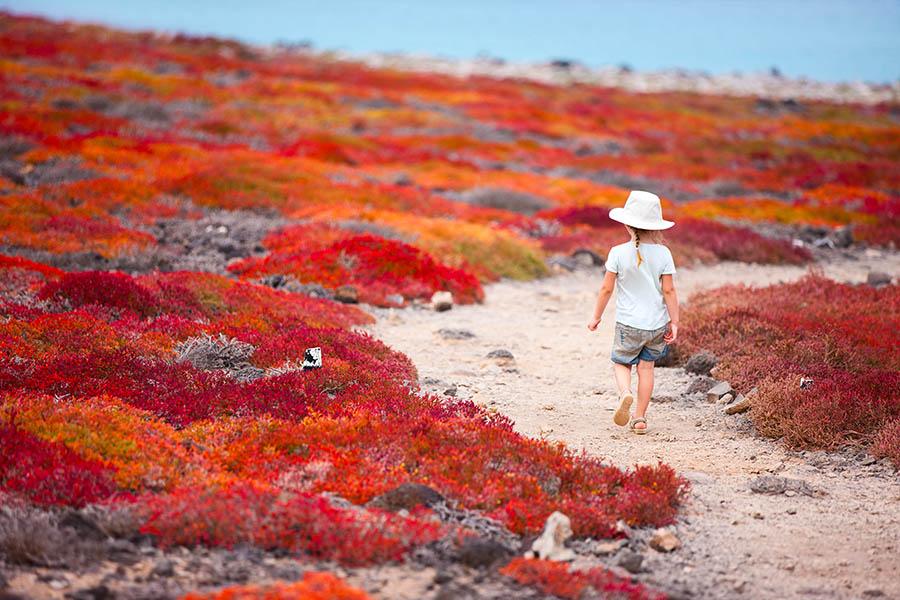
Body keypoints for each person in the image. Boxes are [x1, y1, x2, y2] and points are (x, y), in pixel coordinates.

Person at [587, 191, 679, 434]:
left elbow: (606, 288)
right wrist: (675, 322)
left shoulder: (617, 252)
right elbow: (669, 291)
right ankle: (639, 418)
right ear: (655, 227)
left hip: (628, 323)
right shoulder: (664, 254)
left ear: (627, 224)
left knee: (621, 363)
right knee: (646, 369)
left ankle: (625, 393)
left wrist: (596, 316)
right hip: (656, 324)